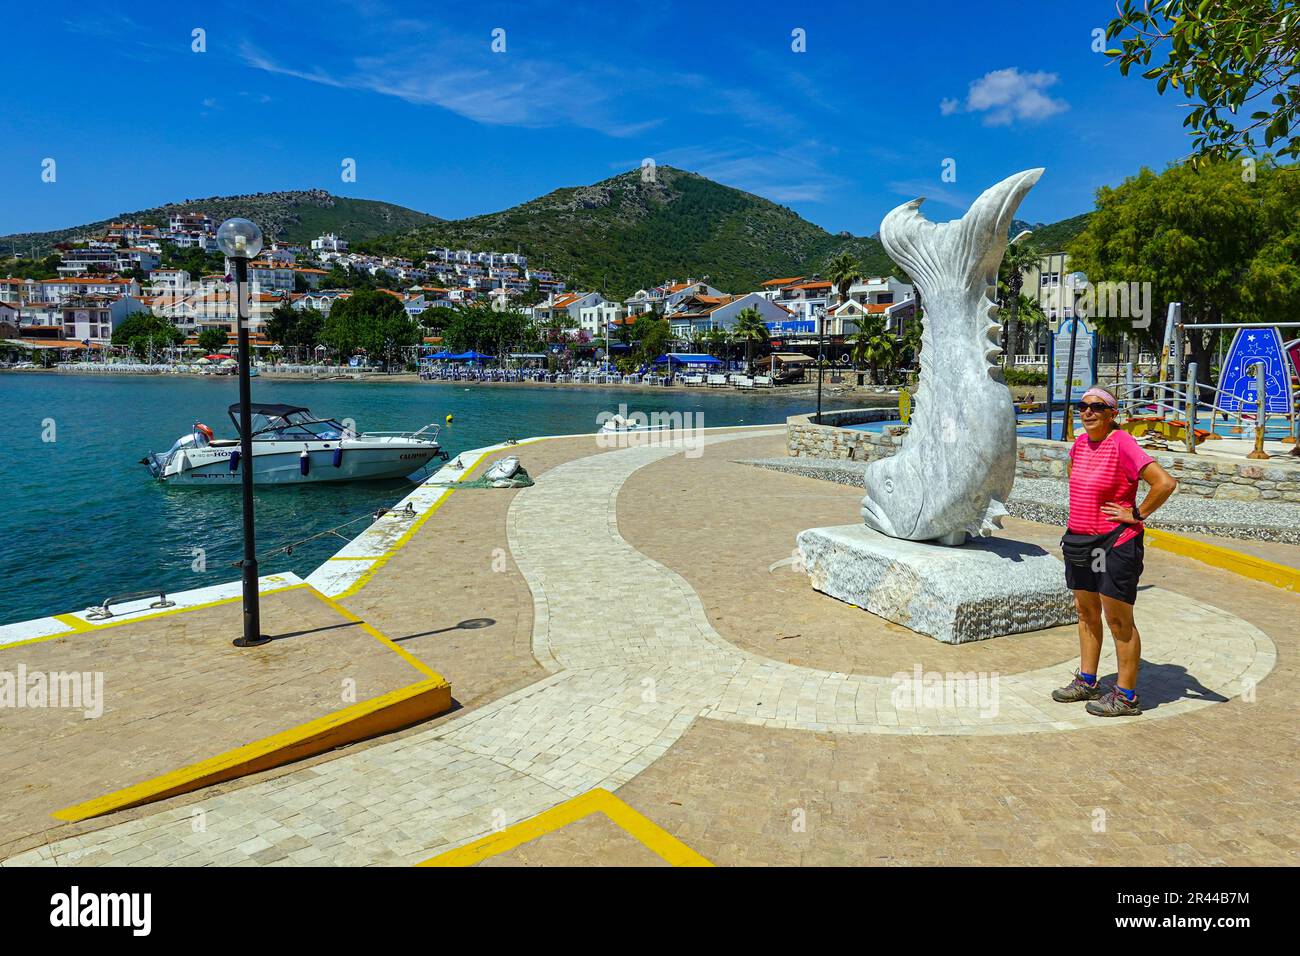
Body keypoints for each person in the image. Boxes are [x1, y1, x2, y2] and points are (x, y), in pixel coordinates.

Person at [1052, 386, 1177, 717]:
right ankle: (1088, 680)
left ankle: (1126, 696)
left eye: (1098, 407)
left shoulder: (1122, 443)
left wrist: (1136, 514)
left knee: (1118, 620)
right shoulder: (1079, 444)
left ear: (1112, 413)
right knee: (1085, 612)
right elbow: (1077, 479)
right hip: (1080, 541)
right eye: (1083, 406)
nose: (1089, 412)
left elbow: (1164, 482)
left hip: (1115, 542)